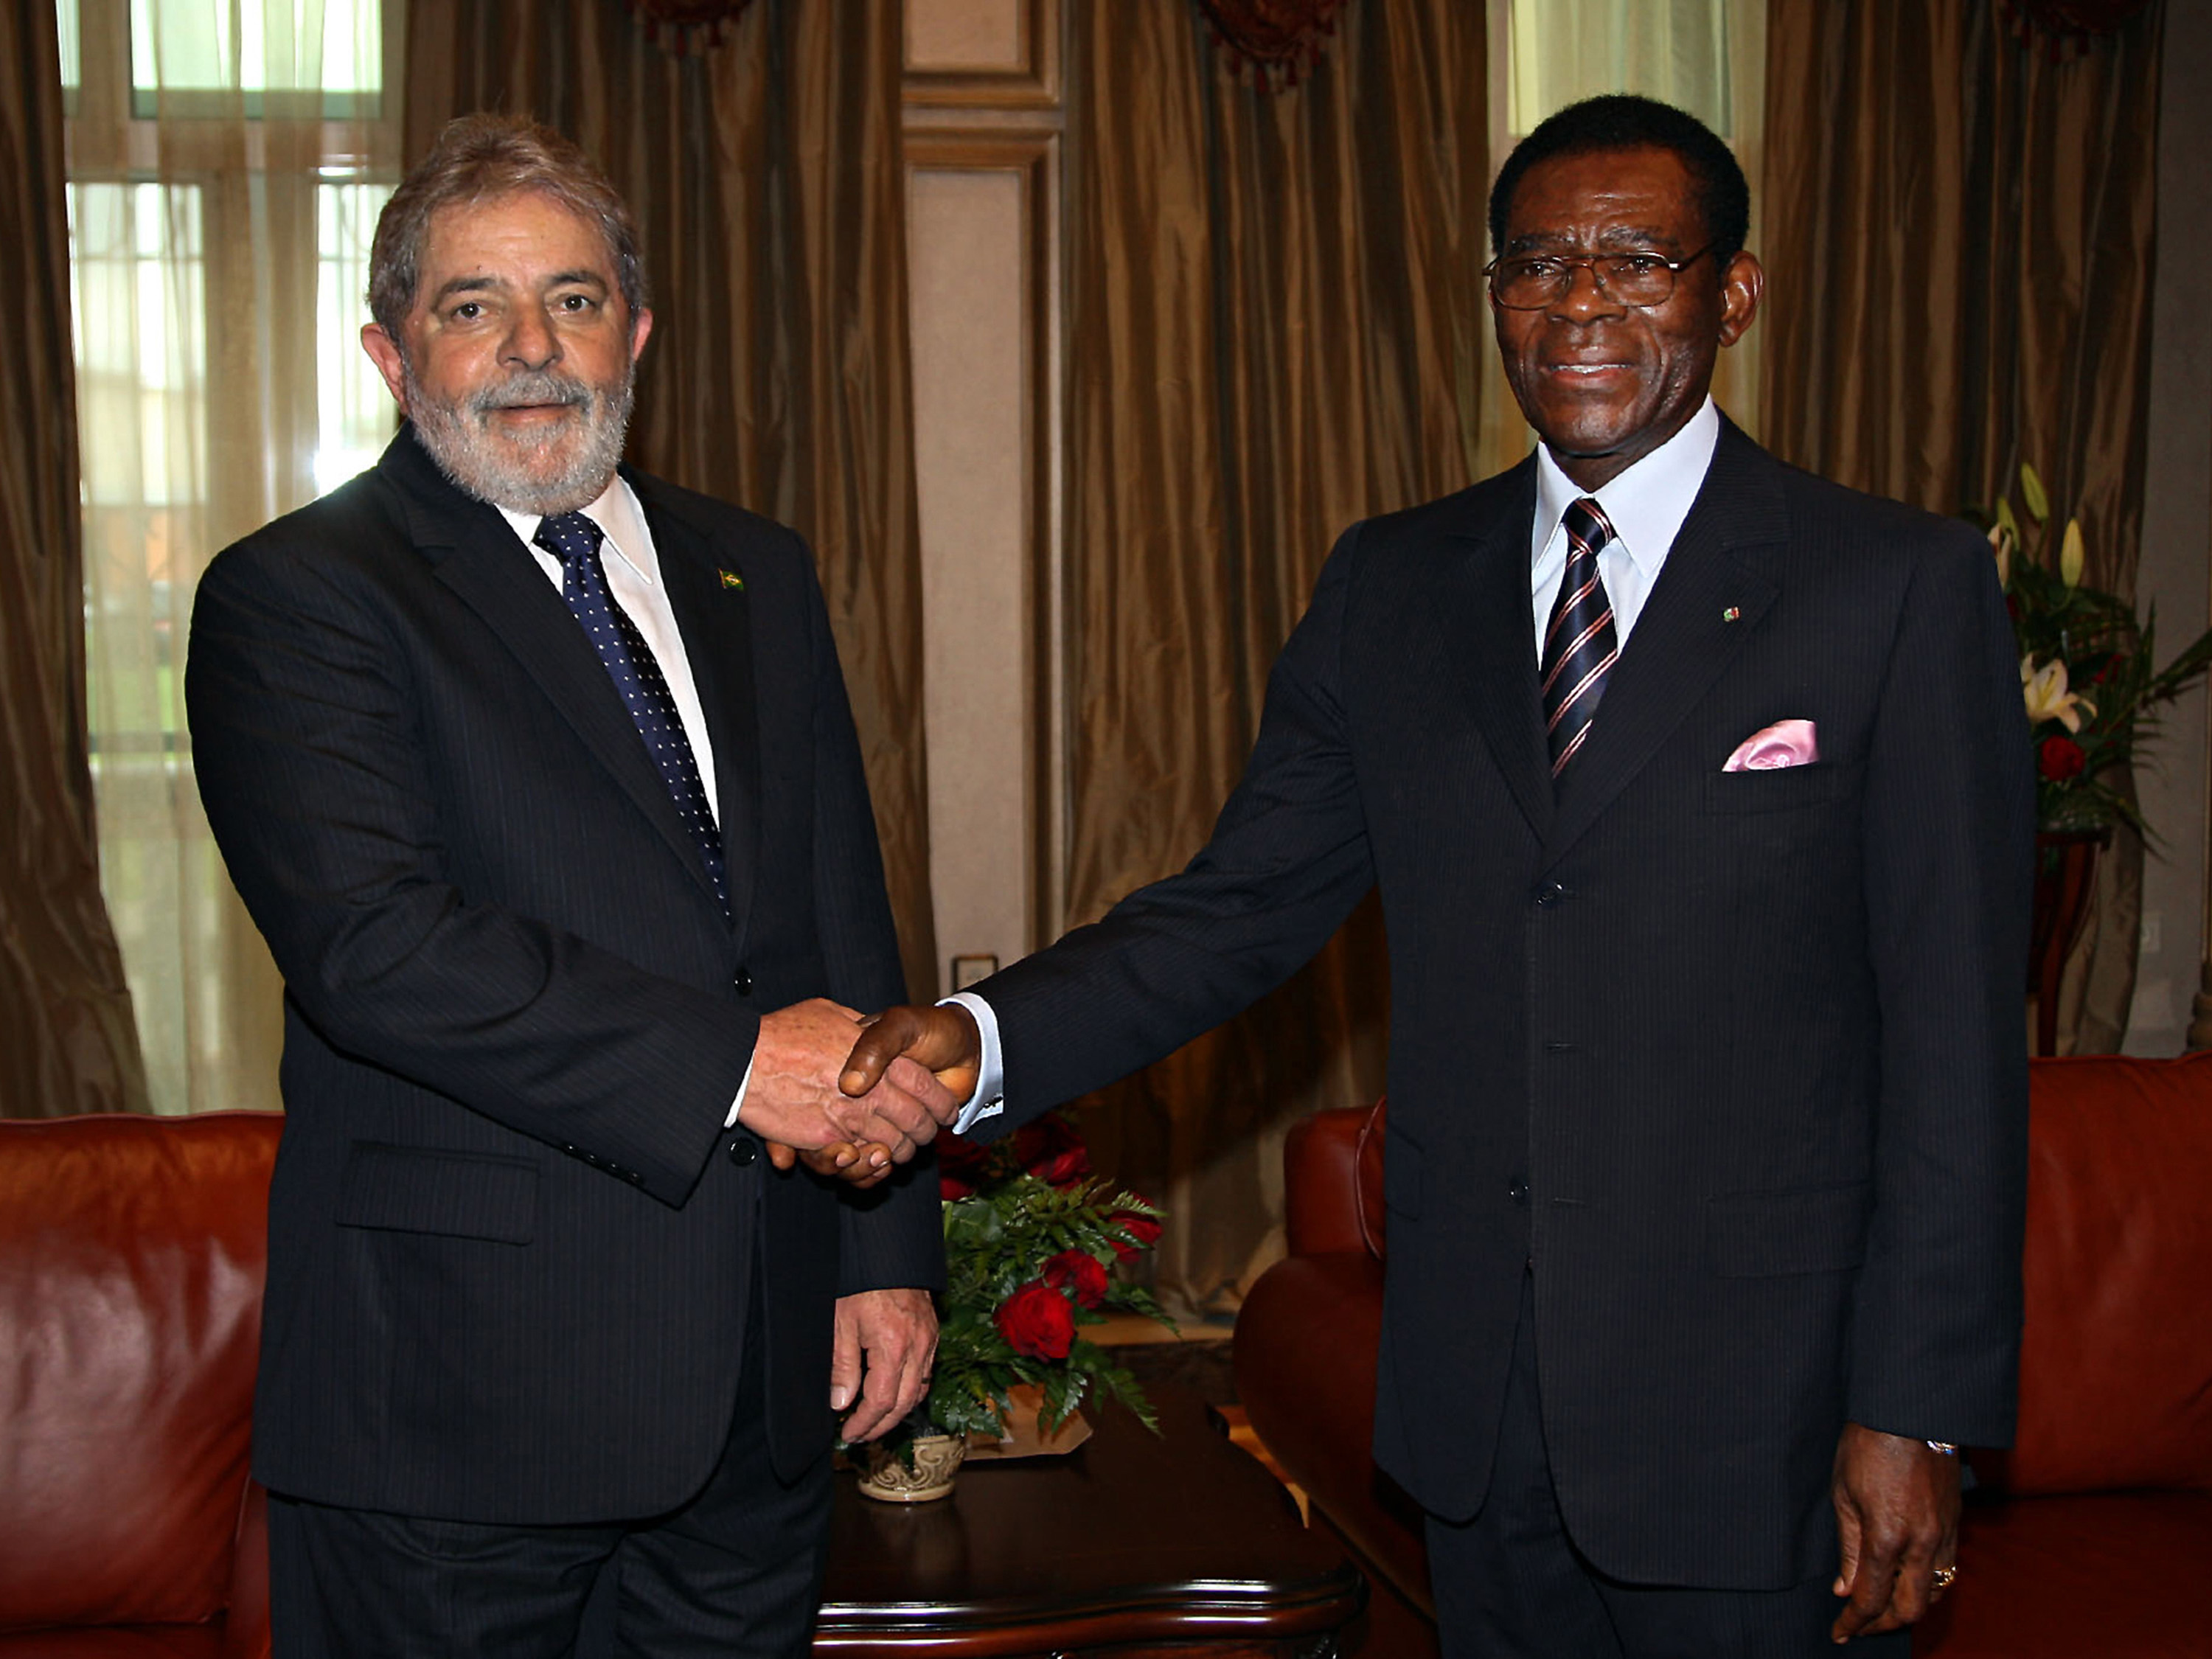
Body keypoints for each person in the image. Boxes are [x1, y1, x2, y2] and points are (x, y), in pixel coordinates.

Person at [841, 94, 2033, 1658]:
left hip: (1760, 1420)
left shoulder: (1894, 588)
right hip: (1481, 1414)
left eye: (1636, 260)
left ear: (1732, 292)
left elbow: (1955, 1041)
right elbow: (1237, 909)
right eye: (1537, 265)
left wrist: (1916, 1410)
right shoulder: (1394, 587)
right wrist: (978, 1039)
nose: (1580, 303)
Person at [186, 114, 956, 1657]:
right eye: (472, 306)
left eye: (577, 300)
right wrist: (743, 1069)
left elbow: (840, 919)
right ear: (393, 354)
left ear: (639, 333)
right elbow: (379, 949)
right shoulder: (298, 595)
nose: (533, 348)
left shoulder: (760, 570)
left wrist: (882, 1251)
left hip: (757, 1391)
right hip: (458, 1419)